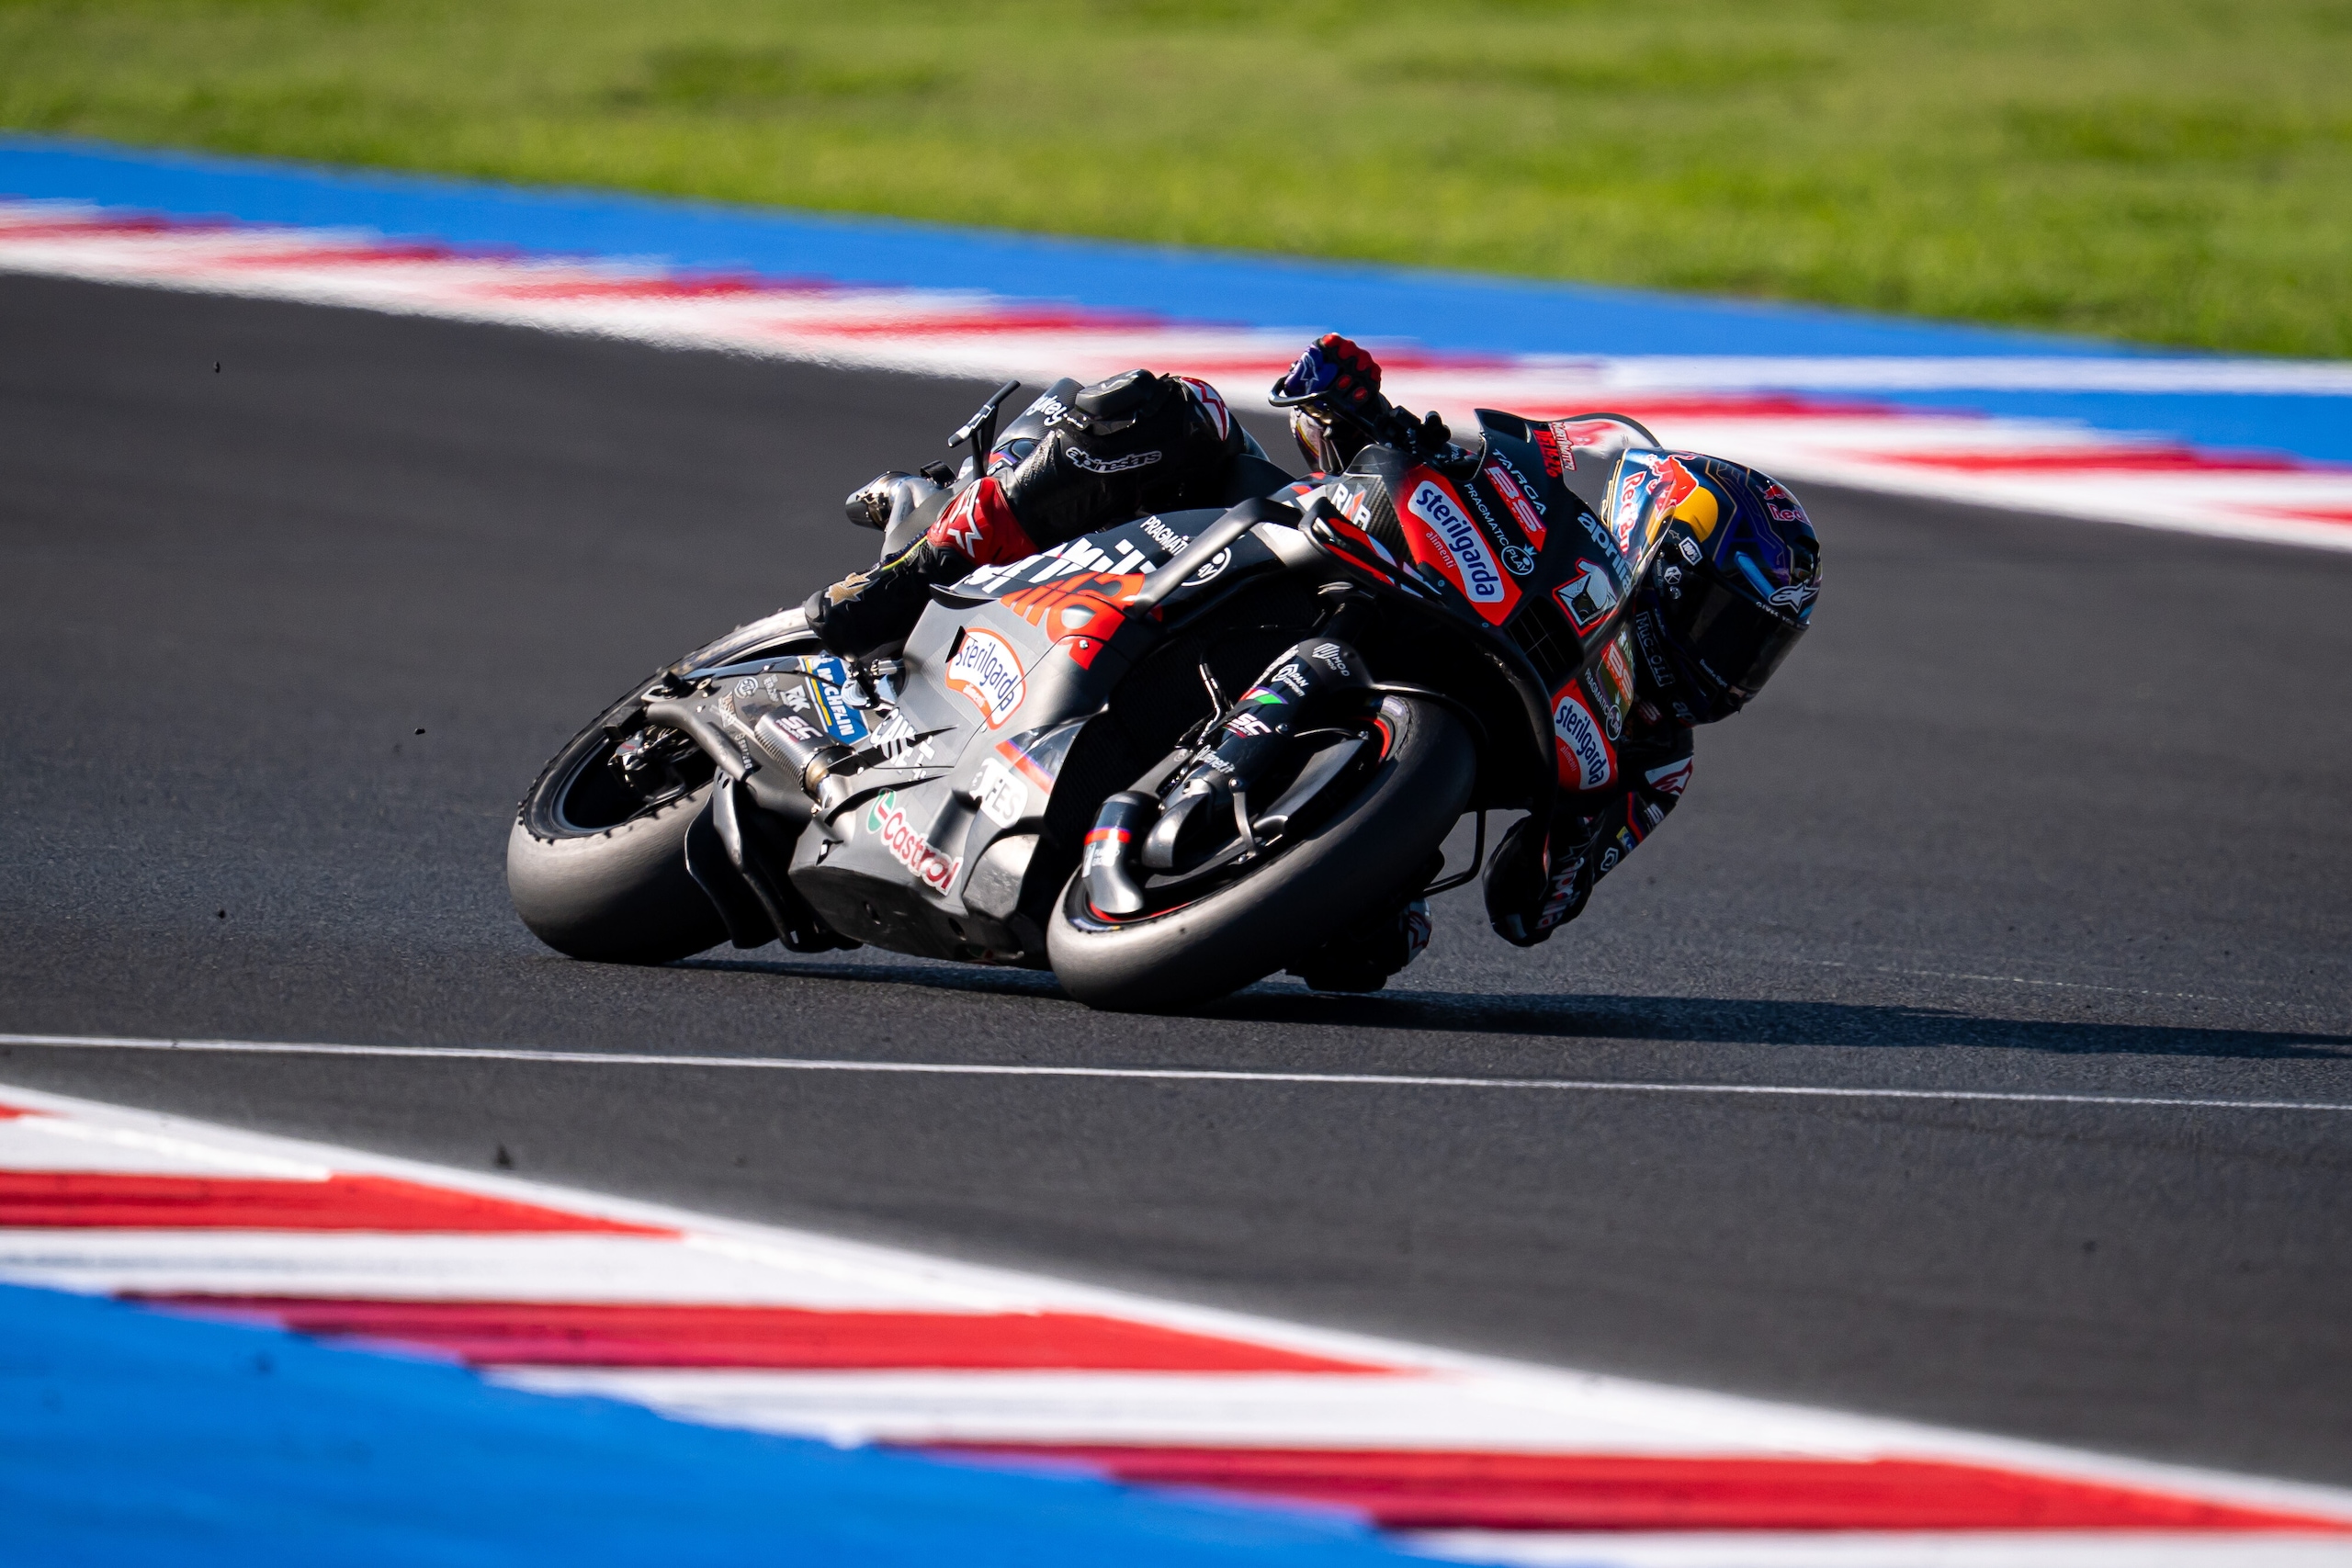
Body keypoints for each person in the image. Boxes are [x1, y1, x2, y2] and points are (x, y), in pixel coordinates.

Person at [804, 335, 1820, 983]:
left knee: (1368, 956)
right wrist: (1357, 406)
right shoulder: (1538, 514)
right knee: (1173, 411)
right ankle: (917, 565)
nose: (1730, 668)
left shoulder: (1653, 763)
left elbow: (1526, 906)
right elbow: (1351, 431)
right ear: (1656, 552)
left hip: (1369, 777)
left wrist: (1572, 840)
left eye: (1758, 651)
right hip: (1271, 564)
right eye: (1726, 626)